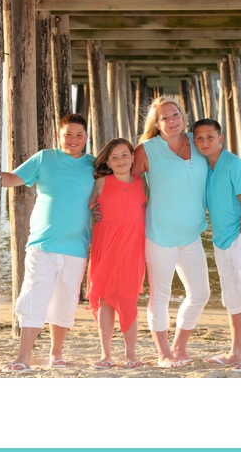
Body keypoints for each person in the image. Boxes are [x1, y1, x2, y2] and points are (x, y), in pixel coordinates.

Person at [0, 114, 95, 372]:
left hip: (77, 247)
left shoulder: (94, 165)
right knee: (34, 297)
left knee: (65, 301)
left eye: (79, 135)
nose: (73, 140)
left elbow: (105, 196)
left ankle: (56, 353)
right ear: (58, 136)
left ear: (86, 137)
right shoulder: (45, 158)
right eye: (68, 134)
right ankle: (23, 357)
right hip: (42, 244)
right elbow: (11, 179)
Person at [131, 96, 211, 368]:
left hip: (191, 234)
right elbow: (125, 182)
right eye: (164, 117)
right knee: (160, 295)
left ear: (183, 116)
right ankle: (163, 352)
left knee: (200, 293)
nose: (171, 121)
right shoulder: (147, 150)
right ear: (156, 123)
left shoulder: (198, 142)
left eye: (175, 114)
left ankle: (179, 346)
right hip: (159, 234)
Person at [192, 119, 241, 372]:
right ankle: (236, 352)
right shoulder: (205, 166)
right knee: (232, 298)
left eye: (210, 137)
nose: (204, 142)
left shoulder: (234, 164)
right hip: (221, 241)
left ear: (220, 138)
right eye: (199, 138)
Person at [87, 138, 147, 370]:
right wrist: (94, 211)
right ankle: (106, 354)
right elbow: (89, 205)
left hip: (132, 246)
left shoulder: (143, 183)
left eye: (124, 155)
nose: (120, 160)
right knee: (105, 300)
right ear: (108, 162)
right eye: (114, 157)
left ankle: (131, 354)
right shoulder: (102, 181)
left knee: (128, 300)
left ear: (133, 157)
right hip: (106, 244)